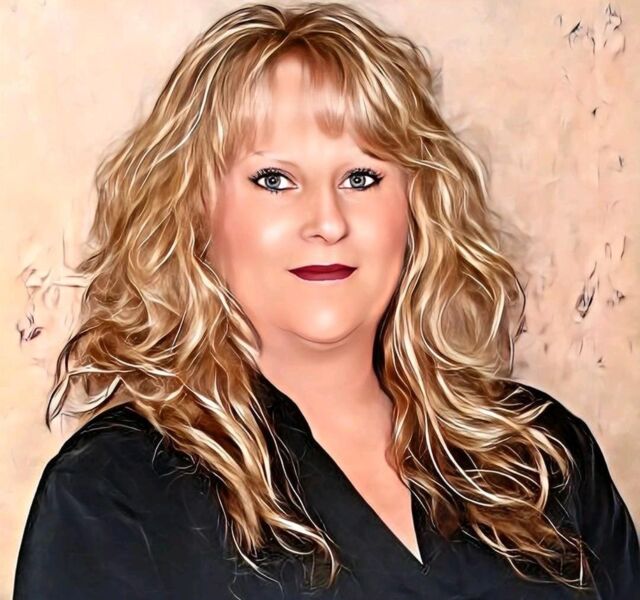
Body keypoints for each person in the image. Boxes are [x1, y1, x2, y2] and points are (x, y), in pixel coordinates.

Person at [12, 2, 640, 599]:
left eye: (361, 178)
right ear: (196, 211)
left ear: (417, 207)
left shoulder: (542, 458)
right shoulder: (113, 494)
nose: (328, 222)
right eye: (274, 180)